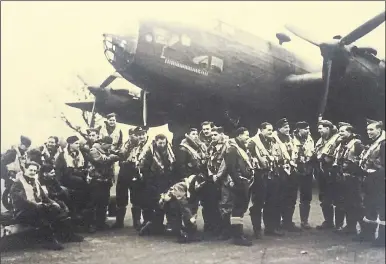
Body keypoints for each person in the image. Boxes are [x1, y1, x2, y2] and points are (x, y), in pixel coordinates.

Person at [10, 161, 83, 250]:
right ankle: (49, 242)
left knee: (58, 209)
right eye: (30, 170)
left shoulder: (35, 181)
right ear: (25, 169)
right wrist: (38, 206)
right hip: (22, 211)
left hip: (37, 208)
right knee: (43, 214)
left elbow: (44, 197)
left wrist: (52, 203)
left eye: (35, 171)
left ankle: (68, 235)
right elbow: (21, 201)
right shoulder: (18, 183)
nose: (33, 172)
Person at [248, 122, 283, 237]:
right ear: (261, 130)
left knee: (271, 202)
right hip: (259, 176)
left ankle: (270, 228)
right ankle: (257, 230)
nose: (271, 132)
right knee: (258, 203)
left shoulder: (273, 140)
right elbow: (250, 159)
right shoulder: (253, 142)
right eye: (268, 130)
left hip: (272, 175)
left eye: (272, 130)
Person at [138, 134, 176, 236]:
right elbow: (144, 167)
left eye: (164, 143)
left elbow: (173, 164)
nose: (162, 145)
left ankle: (170, 225)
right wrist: (150, 180)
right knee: (156, 204)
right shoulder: (149, 151)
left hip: (167, 180)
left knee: (168, 201)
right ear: (156, 142)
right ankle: (156, 226)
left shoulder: (170, 149)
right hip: (154, 181)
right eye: (160, 143)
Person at [355, 119, 385, 247]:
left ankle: (383, 239)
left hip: (380, 179)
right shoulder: (374, 143)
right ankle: (368, 234)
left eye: (372, 129)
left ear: (379, 129)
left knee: (382, 208)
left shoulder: (383, 144)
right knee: (369, 205)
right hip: (371, 179)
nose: (369, 132)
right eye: (367, 130)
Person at [224, 127, 254, 246]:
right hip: (239, 184)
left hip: (244, 182)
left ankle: (239, 233)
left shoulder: (240, 148)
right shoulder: (232, 149)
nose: (248, 137)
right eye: (246, 135)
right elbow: (231, 168)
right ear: (239, 135)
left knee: (241, 209)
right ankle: (237, 236)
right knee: (237, 209)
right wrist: (239, 182)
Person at [332, 122, 364, 234]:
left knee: (353, 203)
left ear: (350, 132)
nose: (340, 133)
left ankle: (353, 227)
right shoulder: (340, 143)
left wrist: (353, 172)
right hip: (340, 178)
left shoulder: (357, 143)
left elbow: (362, 160)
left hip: (352, 179)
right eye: (339, 131)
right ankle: (342, 226)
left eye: (342, 131)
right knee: (341, 202)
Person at [273, 118, 301, 232]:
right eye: (285, 127)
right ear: (279, 128)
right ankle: (277, 222)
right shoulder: (274, 139)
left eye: (288, 127)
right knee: (279, 197)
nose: (288, 129)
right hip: (280, 171)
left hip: (292, 171)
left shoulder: (291, 138)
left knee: (291, 197)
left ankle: (287, 221)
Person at [87, 136, 120, 230]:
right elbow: (100, 161)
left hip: (106, 181)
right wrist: (112, 157)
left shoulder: (107, 151)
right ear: (103, 144)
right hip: (96, 180)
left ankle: (101, 223)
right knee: (94, 202)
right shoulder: (94, 149)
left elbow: (117, 156)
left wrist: (112, 156)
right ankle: (91, 224)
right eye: (109, 145)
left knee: (104, 202)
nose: (110, 147)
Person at [159, 174, 204, 243]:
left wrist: (193, 217)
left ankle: (190, 233)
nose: (198, 186)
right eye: (198, 183)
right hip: (170, 204)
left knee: (189, 213)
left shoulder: (195, 190)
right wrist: (190, 217)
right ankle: (179, 234)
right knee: (175, 213)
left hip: (181, 204)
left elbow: (194, 205)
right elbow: (182, 203)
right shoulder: (180, 186)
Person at [314, 120, 340, 230]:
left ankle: (339, 225)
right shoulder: (321, 140)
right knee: (324, 198)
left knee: (338, 198)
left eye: (321, 128)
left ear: (327, 128)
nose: (319, 131)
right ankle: (328, 221)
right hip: (322, 172)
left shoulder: (337, 139)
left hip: (334, 172)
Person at [112, 127, 140, 229]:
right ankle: (119, 222)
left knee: (136, 197)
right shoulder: (125, 145)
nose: (133, 136)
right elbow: (120, 156)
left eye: (135, 134)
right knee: (121, 197)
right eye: (131, 134)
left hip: (134, 173)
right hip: (123, 173)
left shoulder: (140, 146)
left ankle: (137, 222)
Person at [208, 127, 231, 240]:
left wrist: (218, 176)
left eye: (215, 135)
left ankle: (226, 230)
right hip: (214, 178)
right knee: (216, 203)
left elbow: (225, 163)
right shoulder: (212, 145)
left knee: (225, 204)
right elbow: (209, 161)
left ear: (222, 134)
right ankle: (219, 227)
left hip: (224, 178)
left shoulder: (227, 146)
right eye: (212, 135)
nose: (213, 137)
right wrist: (211, 174)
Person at [292, 121, 315, 229]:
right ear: (299, 129)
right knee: (289, 196)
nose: (308, 131)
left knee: (306, 196)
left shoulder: (310, 139)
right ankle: (286, 221)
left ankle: (304, 221)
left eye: (308, 128)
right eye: (305, 129)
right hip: (293, 171)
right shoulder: (291, 139)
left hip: (307, 171)